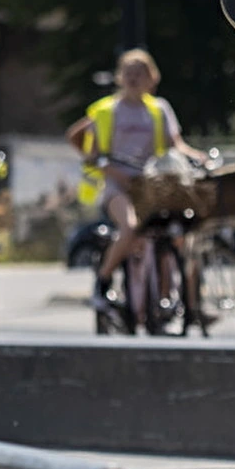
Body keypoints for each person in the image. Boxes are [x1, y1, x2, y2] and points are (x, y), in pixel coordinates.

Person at [66, 49, 202, 314]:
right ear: (119, 77)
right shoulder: (106, 110)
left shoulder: (159, 108)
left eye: (140, 73)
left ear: (151, 77)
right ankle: (103, 281)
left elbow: (177, 145)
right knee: (129, 228)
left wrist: (199, 157)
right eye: (128, 73)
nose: (134, 78)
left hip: (152, 187)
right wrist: (103, 166)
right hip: (118, 187)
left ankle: (177, 300)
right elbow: (88, 149)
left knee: (177, 235)